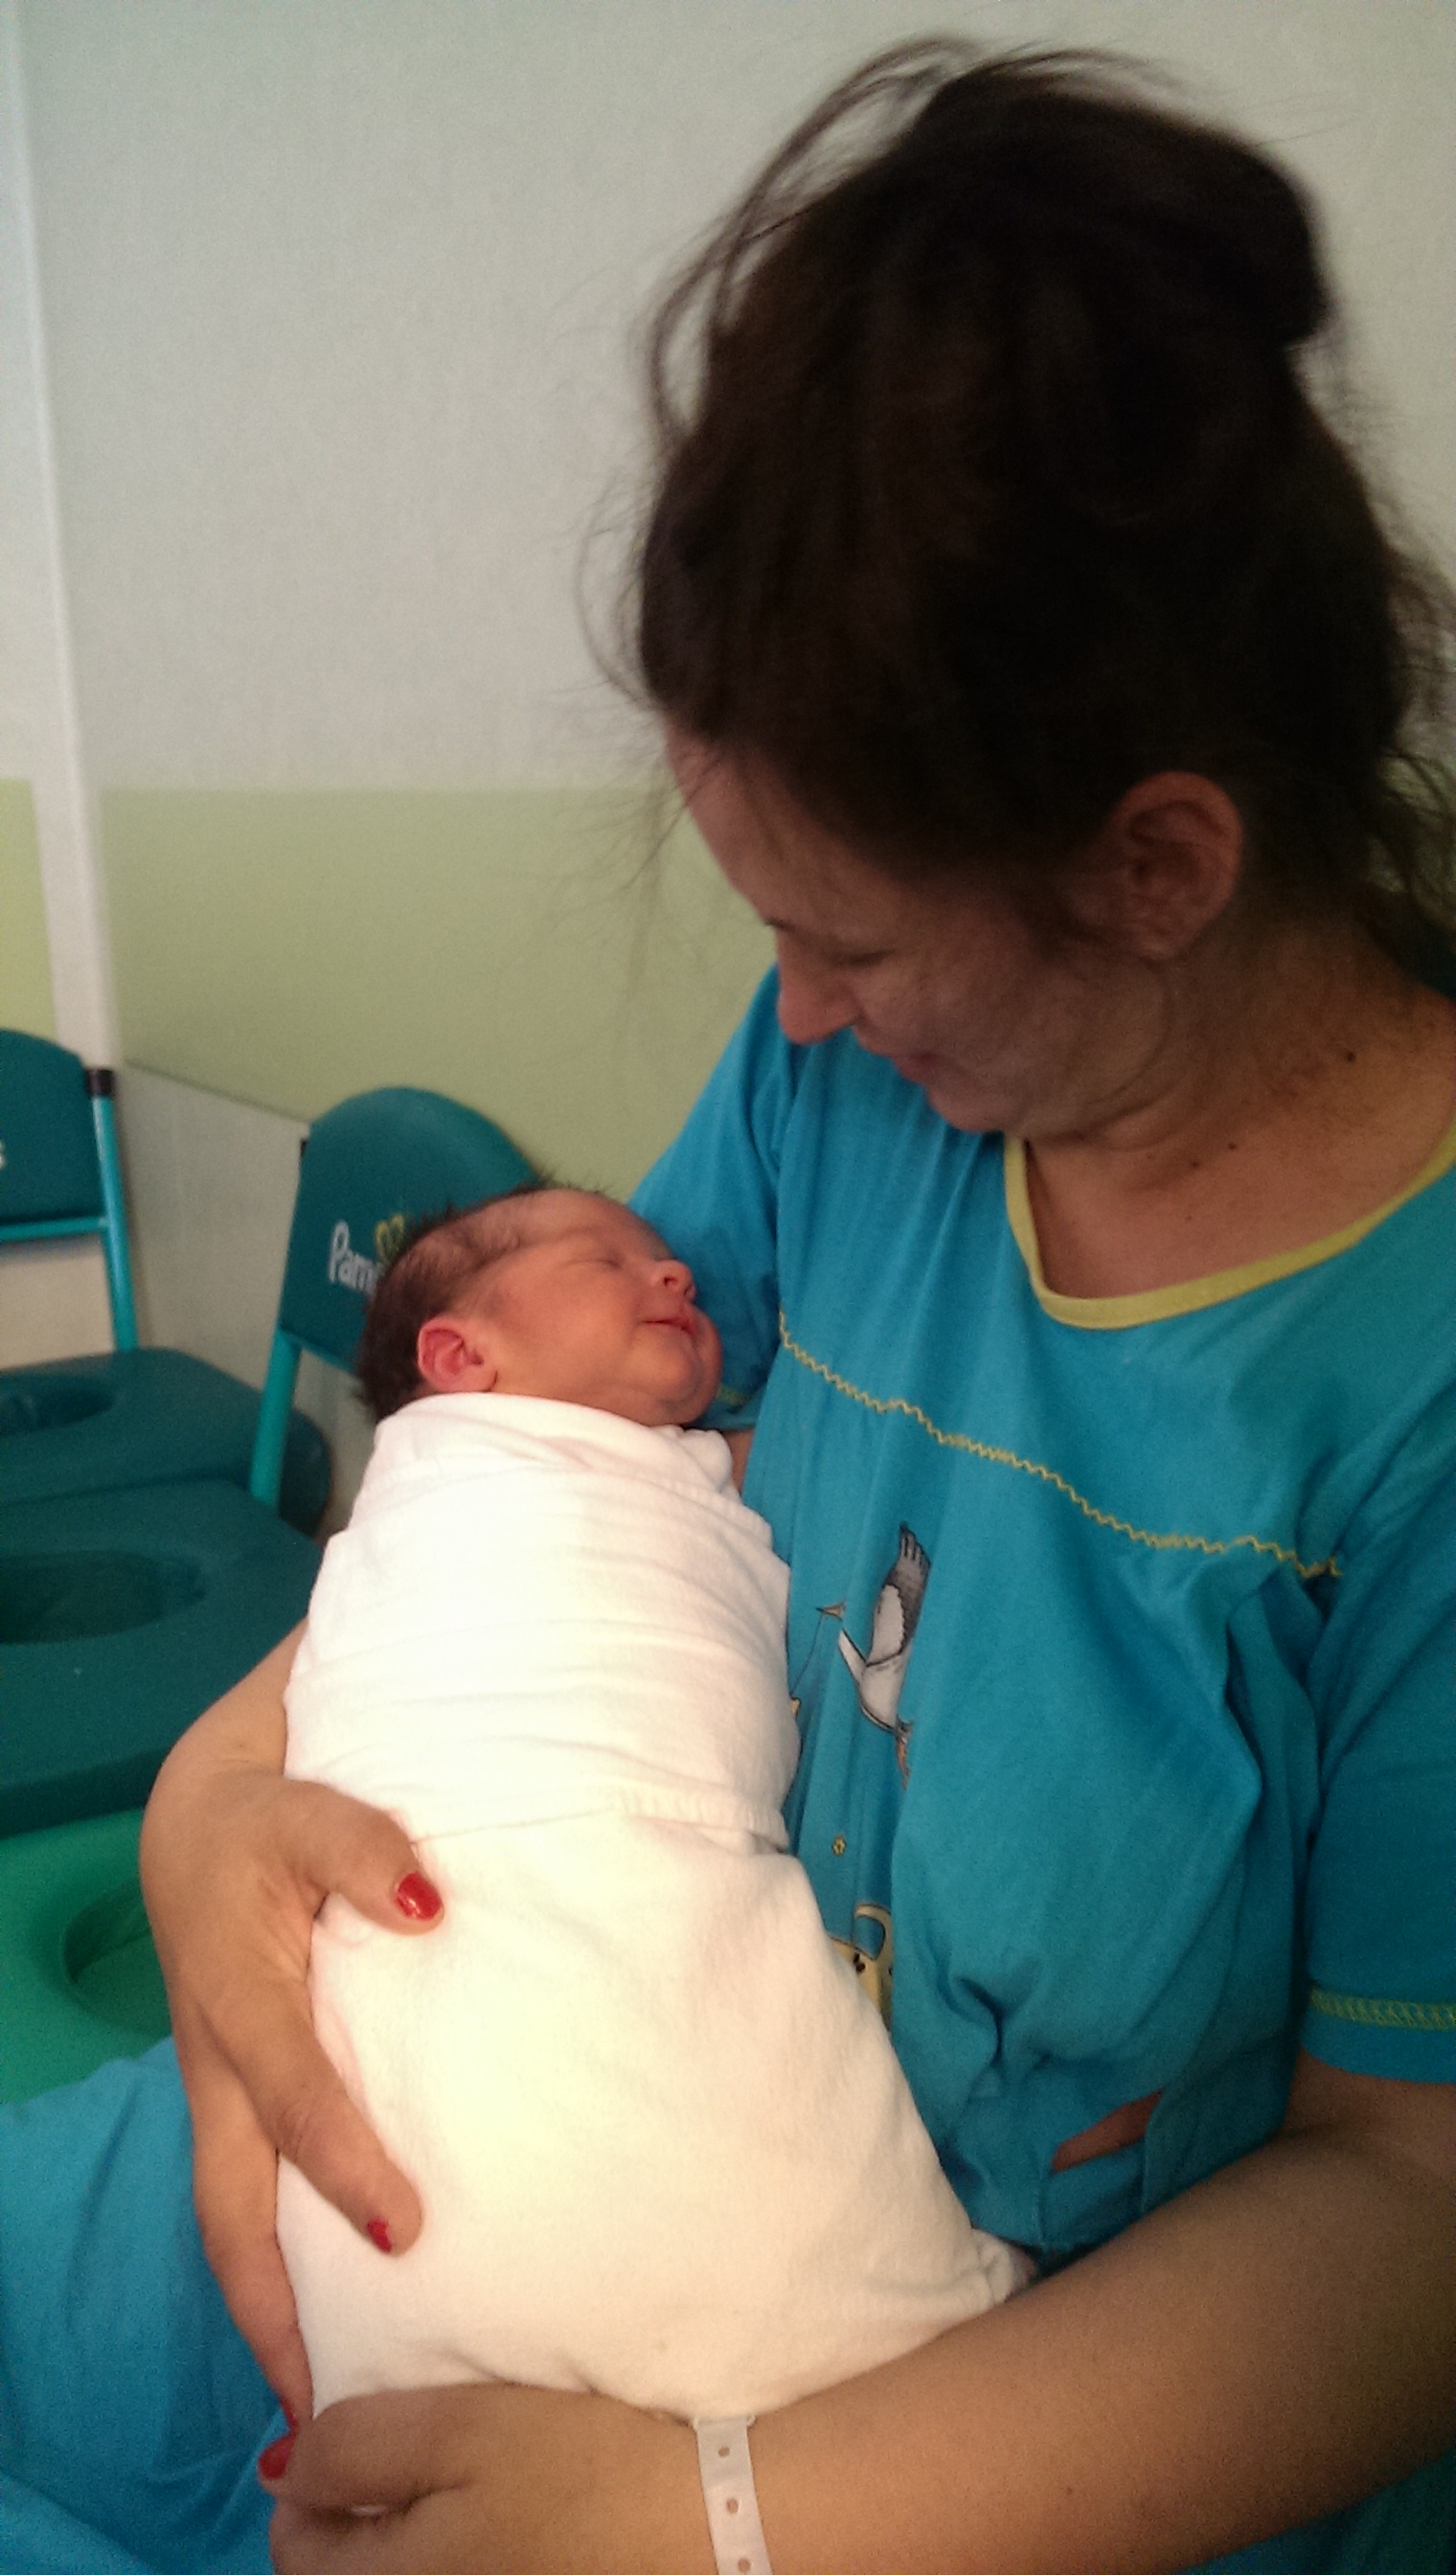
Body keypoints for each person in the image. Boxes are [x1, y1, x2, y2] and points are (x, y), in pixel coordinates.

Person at [1, 38, 1452, 2575]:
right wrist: (220, 1818)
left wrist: (720, 2518)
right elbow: (521, 1481)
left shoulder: (1397, 1400)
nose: (788, 1017)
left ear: (1158, 867)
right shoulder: (845, 1099)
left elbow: (1409, 2218)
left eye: (848, 940)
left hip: (908, 2422)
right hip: (503, 2102)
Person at [279, 1185, 1020, 2420]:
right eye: (606, 1261)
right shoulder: (431, 1488)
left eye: (672, 1265)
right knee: (442, 2085)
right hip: (462, 1849)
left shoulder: (693, 1470)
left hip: (661, 1852)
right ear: (462, 1357)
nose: (674, 1277)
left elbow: (826, 1452)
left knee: (706, 2052)